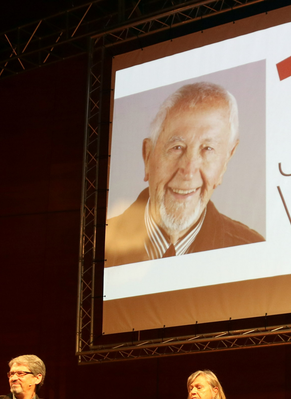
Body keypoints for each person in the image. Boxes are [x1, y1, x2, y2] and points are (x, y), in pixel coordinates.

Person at [104, 82, 264, 266]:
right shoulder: (96, 248)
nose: (188, 171)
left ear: (226, 160)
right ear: (148, 156)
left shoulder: (252, 254)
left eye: (207, 149)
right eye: (176, 147)